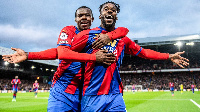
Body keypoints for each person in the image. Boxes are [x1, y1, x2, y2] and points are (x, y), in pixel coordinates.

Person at [3, 2, 189, 111]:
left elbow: (143, 52)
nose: (109, 11)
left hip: (115, 95)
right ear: (99, 16)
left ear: (115, 15)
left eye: (113, 10)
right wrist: (28, 55)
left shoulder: (123, 39)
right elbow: (62, 52)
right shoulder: (84, 35)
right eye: (105, 9)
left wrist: (168, 56)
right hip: (88, 95)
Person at [3, 6, 128, 112]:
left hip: (83, 94)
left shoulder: (95, 36)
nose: (84, 18)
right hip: (62, 91)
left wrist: (111, 35)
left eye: (87, 16)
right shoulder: (68, 31)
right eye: (80, 16)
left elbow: (123, 30)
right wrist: (29, 55)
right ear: (75, 19)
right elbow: (61, 52)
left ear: (93, 19)